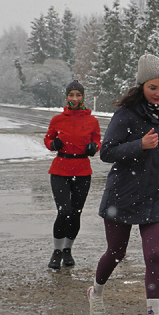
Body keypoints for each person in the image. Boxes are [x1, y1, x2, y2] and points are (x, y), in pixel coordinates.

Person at [89, 54, 159, 315]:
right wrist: (138, 145)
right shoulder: (126, 114)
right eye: (153, 87)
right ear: (142, 85)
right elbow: (106, 152)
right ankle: (96, 292)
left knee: (154, 255)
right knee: (116, 252)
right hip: (123, 194)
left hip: (155, 193)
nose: (158, 94)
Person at [43, 81, 102, 270]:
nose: (74, 99)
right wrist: (53, 145)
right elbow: (48, 138)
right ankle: (57, 251)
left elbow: (97, 140)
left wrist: (94, 147)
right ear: (66, 97)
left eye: (78, 95)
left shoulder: (92, 121)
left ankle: (68, 249)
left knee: (76, 213)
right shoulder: (57, 119)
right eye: (71, 95)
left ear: (83, 97)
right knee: (64, 211)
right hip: (60, 169)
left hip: (83, 170)